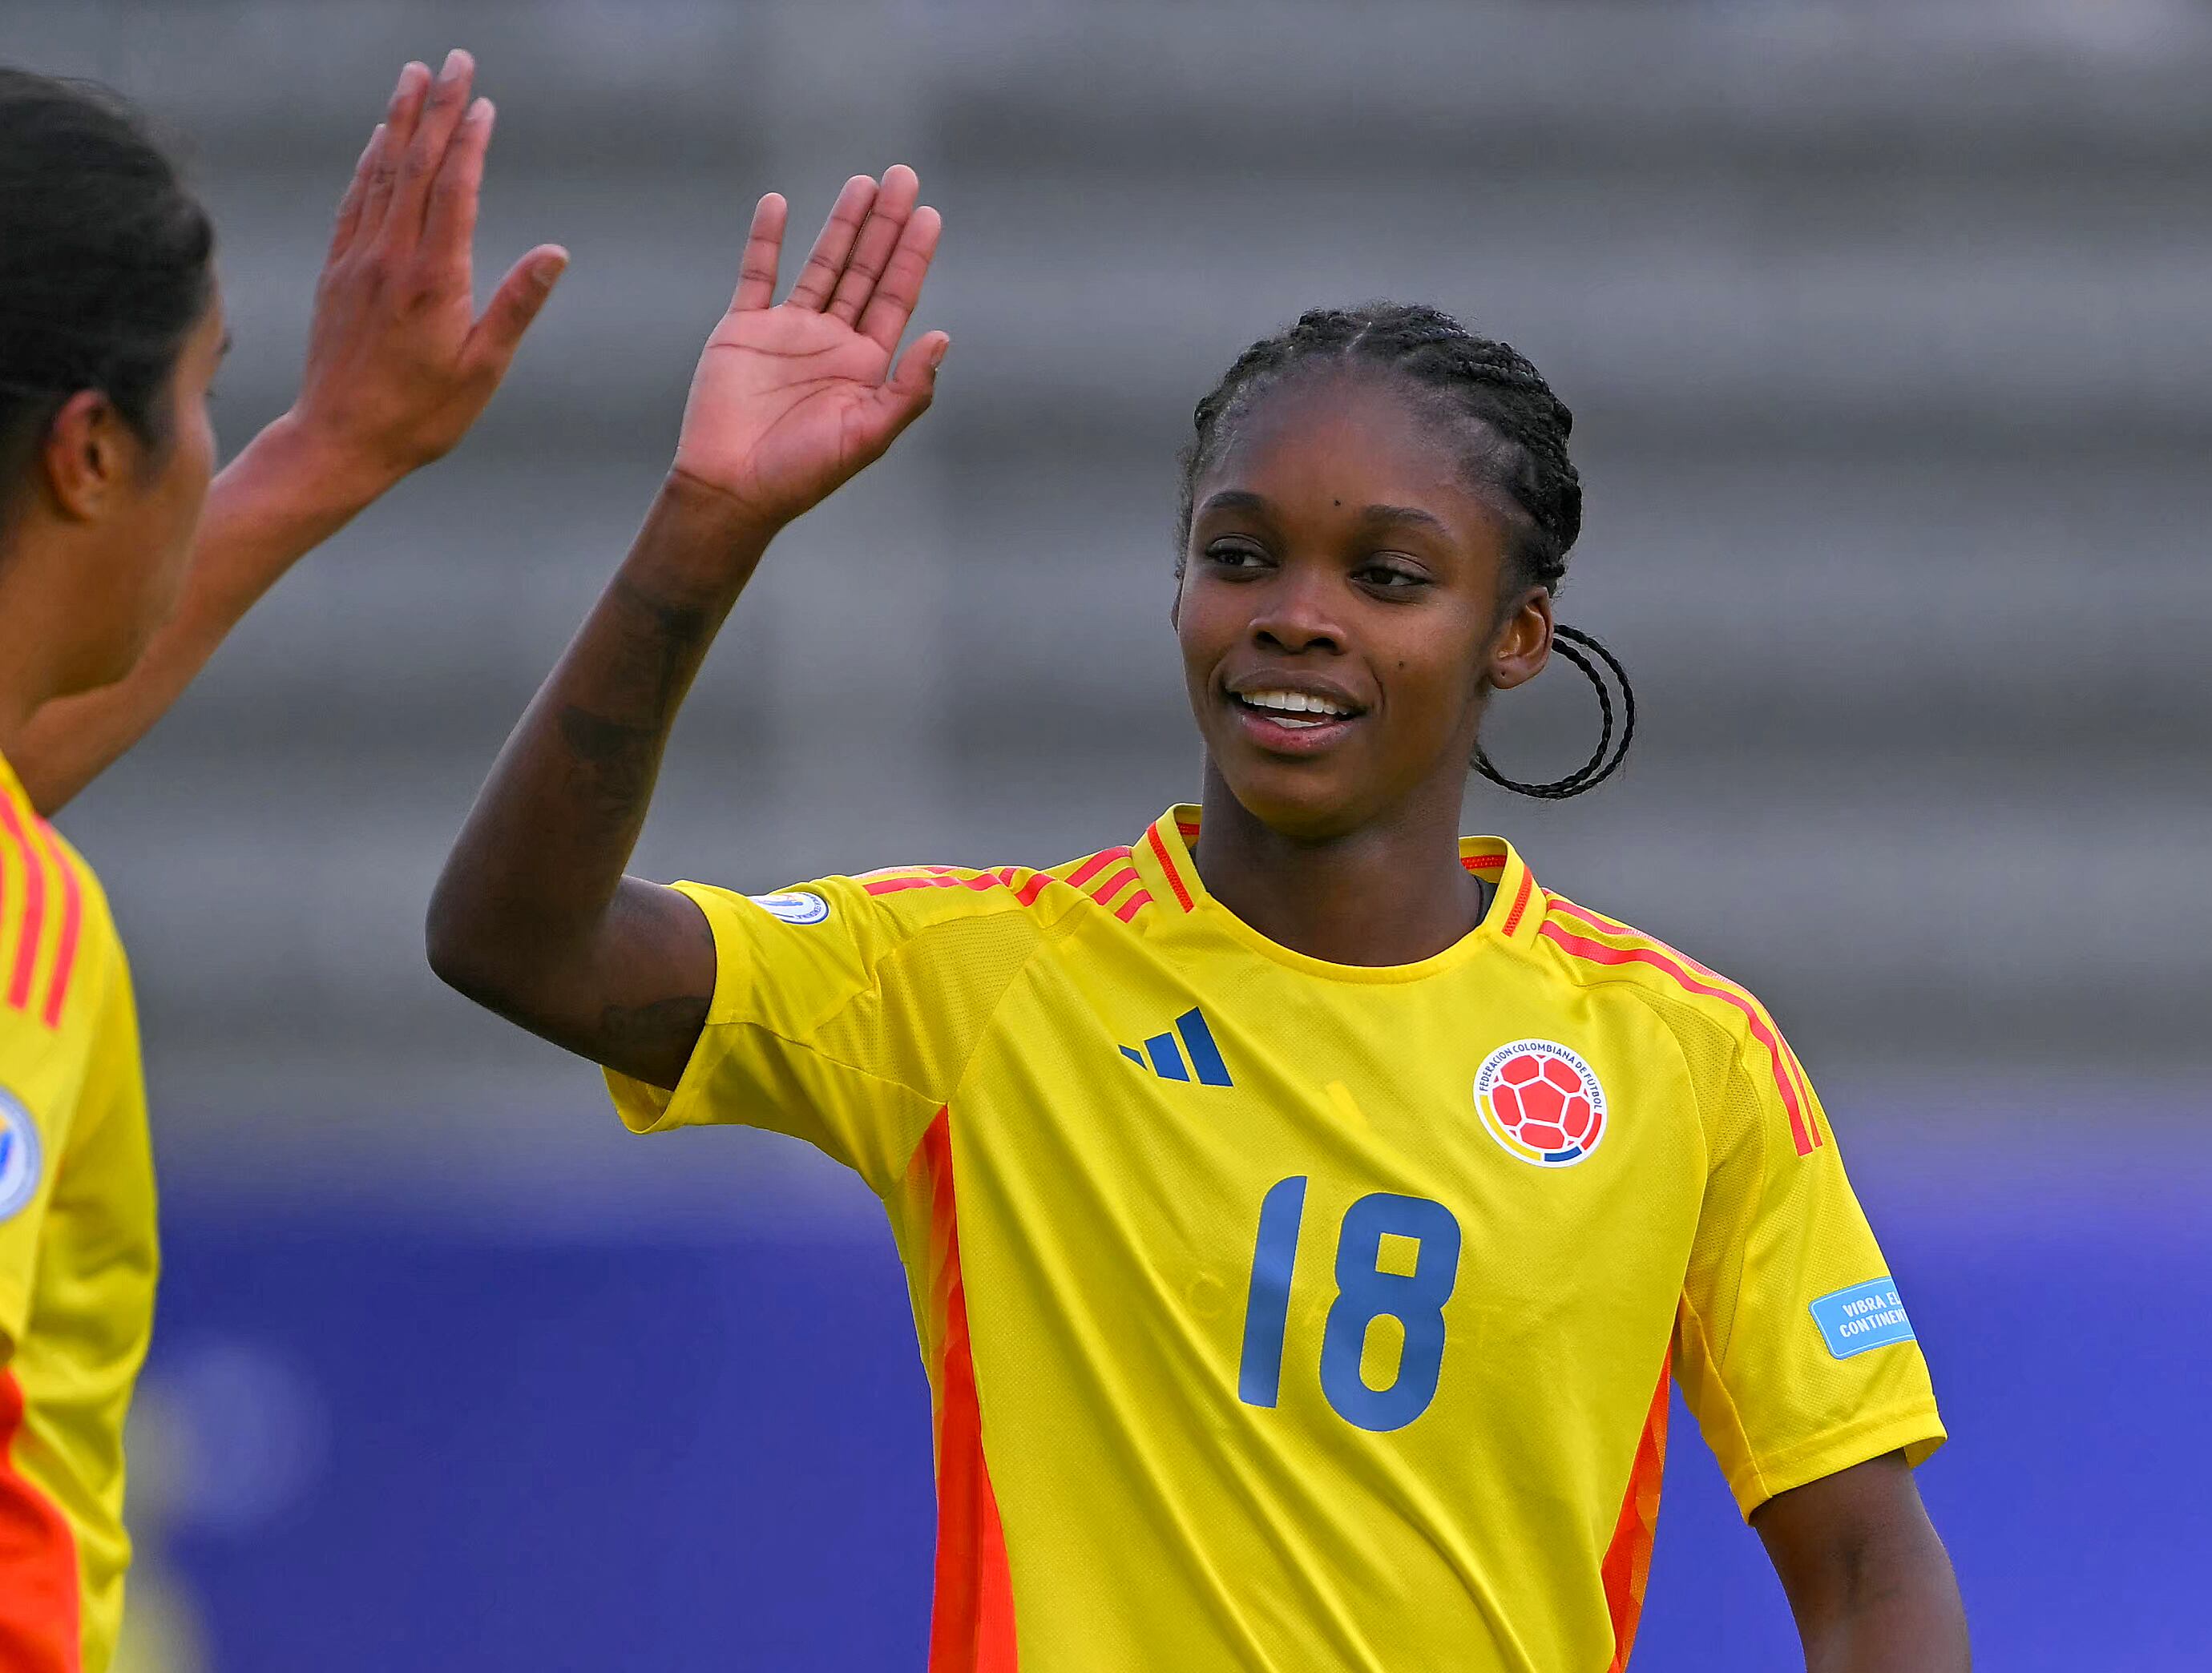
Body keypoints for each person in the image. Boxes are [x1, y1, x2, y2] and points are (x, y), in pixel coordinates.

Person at [427, 171, 1969, 1671]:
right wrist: (707, 529)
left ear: (1516, 636)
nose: (1297, 612)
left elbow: (1864, 1568)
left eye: (1388, 573)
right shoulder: (980, 982)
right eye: (1241, 556)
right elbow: (516, 942)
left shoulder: (1683, 1060)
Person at [0, 53, 563, 1668]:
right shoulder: (20, 921)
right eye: (204, 394)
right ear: (91, 452)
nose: (210, 453)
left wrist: (331, 451)